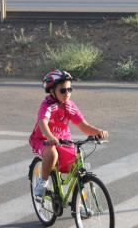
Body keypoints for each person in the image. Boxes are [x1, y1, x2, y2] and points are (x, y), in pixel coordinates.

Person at [29, 69, 109, 200]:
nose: (67, 93)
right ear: (52, 91)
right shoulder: (48, 105)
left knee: (77, 168)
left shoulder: (69, 106)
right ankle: (42, 183)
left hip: (63, 140)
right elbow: (42, 122)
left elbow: (84, 126)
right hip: (43, 139)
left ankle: (79, 203)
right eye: (63, 90)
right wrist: (50, 137)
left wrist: (99, 132)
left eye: (69, 90)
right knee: (52, 154)